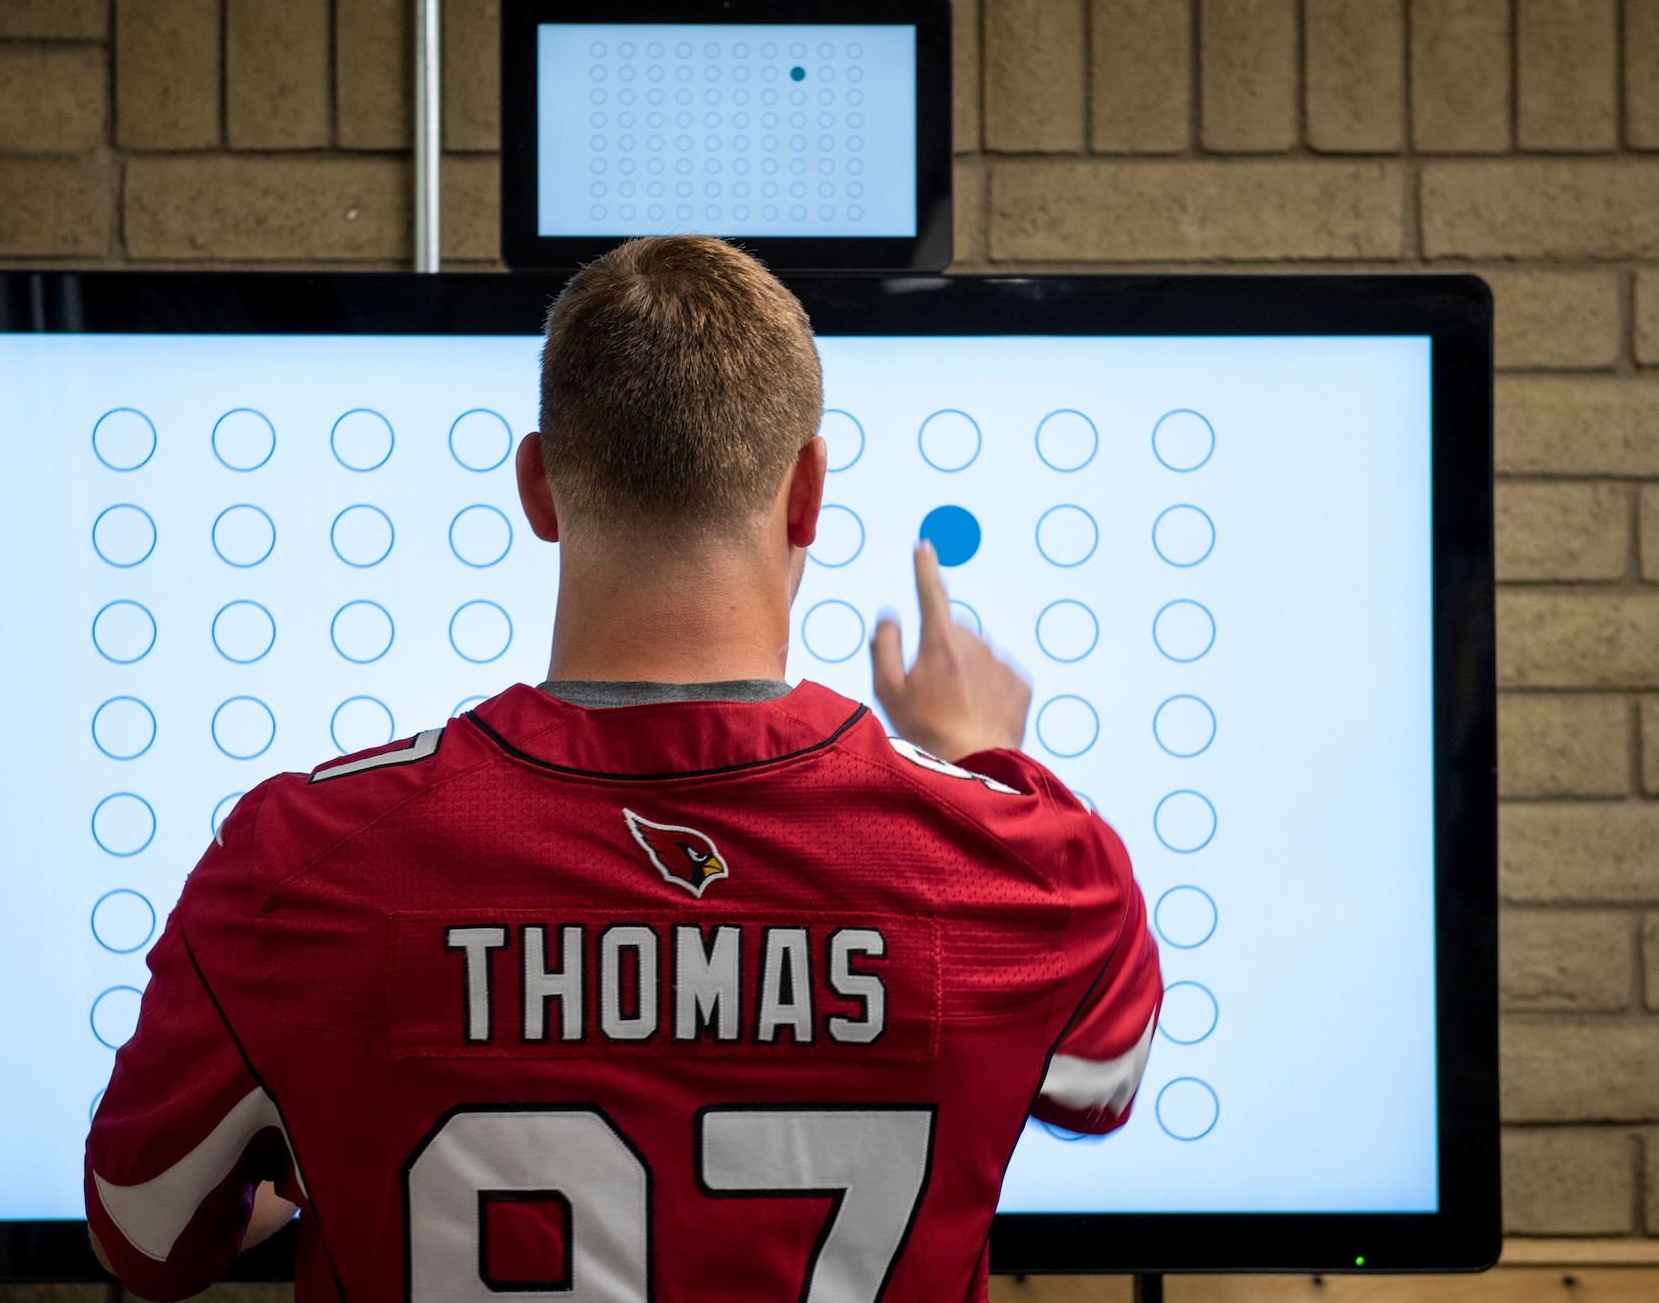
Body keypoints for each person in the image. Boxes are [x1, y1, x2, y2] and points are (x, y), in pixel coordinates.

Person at [85, 235, 1161, 1302]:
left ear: (537, 487)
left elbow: (145, 1233)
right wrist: (978, 758)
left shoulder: (296, 860)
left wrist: (309, 1175)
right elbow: (1098, 1088)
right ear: (807, 494)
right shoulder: (1028, 869)